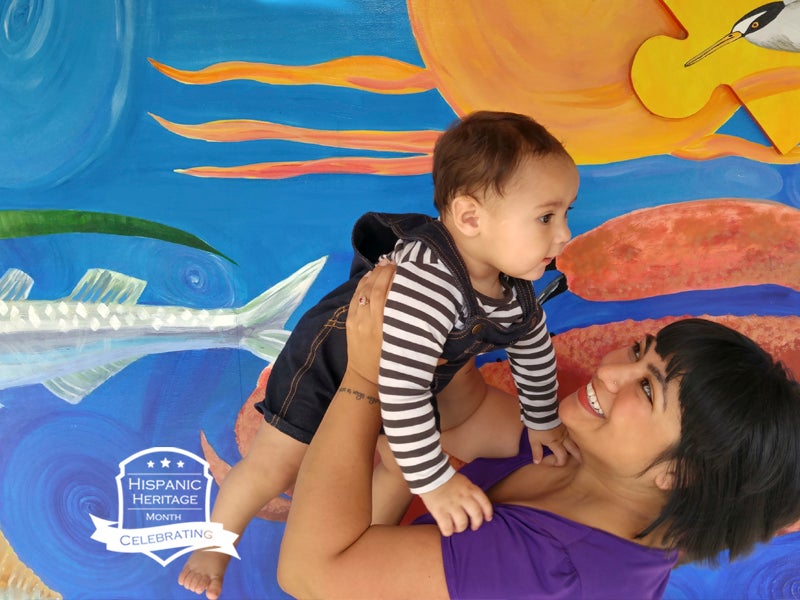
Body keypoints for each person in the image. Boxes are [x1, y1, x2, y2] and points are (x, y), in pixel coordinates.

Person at [179, 110, 581, 598]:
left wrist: (542, 421)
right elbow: (404, 390)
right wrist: (434, 483)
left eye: (566, 215)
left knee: (403, 451)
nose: (563, 235)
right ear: (471, 217)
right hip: (328, 364)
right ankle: (213, 545)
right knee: (275, 465)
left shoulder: (512, 285)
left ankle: (380, 497)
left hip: (398, 375)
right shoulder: (428, 285)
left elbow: (533, 346)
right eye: (546, 217)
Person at [278, 263, 800, 600]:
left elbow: (308, 575)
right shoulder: (582, 455)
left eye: (647, 391)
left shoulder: (554, 577)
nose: (611, 370)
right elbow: (466, 413)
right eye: (639, 350)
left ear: (678, 472)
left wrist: (366, 377)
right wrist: (443, 309)